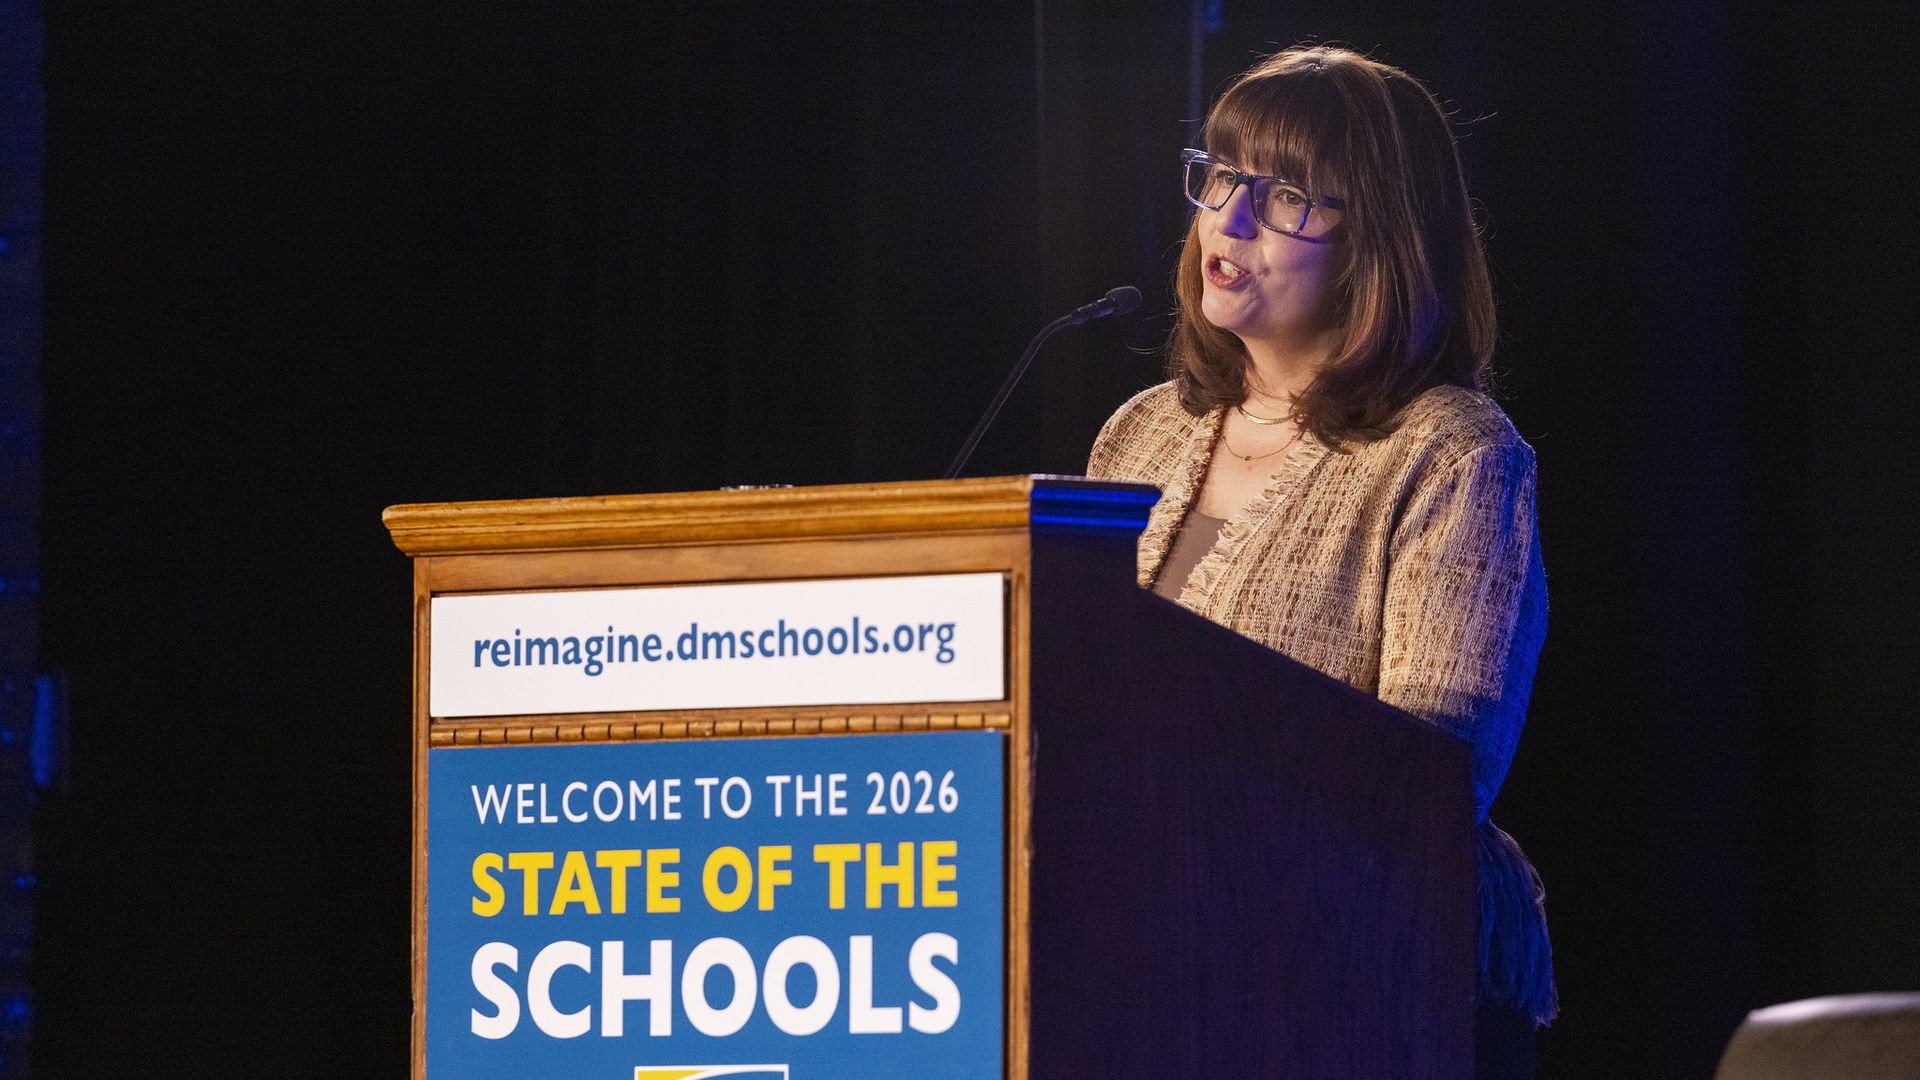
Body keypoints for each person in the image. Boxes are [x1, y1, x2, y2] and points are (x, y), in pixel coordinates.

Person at [1085, 46, 1553, 1079]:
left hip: (1368, 976)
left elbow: (1435, 769)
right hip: (1141, 953)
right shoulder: (1142, 435)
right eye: (1223, 175)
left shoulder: (1453, 453)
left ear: (1381, 242)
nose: (1231, 222)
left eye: (1290, 195)